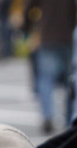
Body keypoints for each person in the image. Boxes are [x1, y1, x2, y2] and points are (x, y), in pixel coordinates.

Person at [25, 0, 76, 133]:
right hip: (68, 36)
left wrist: (26, 27)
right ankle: (70, 119)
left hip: (47, 35)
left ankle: (47, 115)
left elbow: (29, 7)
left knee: (45, 79)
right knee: (69, 81)